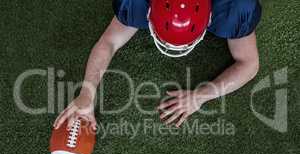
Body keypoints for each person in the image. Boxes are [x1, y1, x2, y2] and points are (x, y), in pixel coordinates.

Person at [54, 0, 262, 129]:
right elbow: (108, 42)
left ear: (209, 16)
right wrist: (86, 93)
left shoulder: (236, 6)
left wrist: (201, 96)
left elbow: (249, 64)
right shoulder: (136, 3)